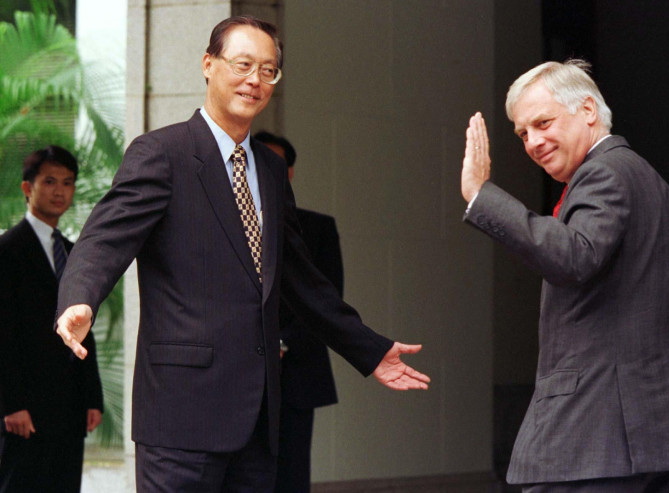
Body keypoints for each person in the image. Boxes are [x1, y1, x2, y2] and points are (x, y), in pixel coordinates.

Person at [54, 15, 430, 492]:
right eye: (243, 64)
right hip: (181, 420)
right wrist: (79, 298)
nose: (255, 80)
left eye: (268, 70)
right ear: (209, 65)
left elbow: (300, 280)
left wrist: (369, 350)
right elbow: (104, 238)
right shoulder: (161, 153)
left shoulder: (271, 171)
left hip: (257, 423)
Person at [460, 59, 669, 492]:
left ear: (588, 111)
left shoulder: (603, 173)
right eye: (523, 133)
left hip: (595, 441)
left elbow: (574, 255)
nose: (533, 142)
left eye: (543, 123)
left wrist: (481, 197)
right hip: (661, 438)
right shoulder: (656, 185)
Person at [0, 146, 103, 492]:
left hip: (70, 407)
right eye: (49, 181)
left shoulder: (74, 253)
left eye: (68, 182)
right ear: (27, 188)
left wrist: (93, 397)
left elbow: (84, 332)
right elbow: (3, 333)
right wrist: (11, 404)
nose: (60, 190)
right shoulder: (7, 251)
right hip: (24, 409)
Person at [255, 131, 342, 492]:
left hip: (297, 373)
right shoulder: (222, 224)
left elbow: (328, 301)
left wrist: (282, 342)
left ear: (289, 172)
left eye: (276, 165)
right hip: (234, 377)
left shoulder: (318, 228)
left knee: (290, 476)